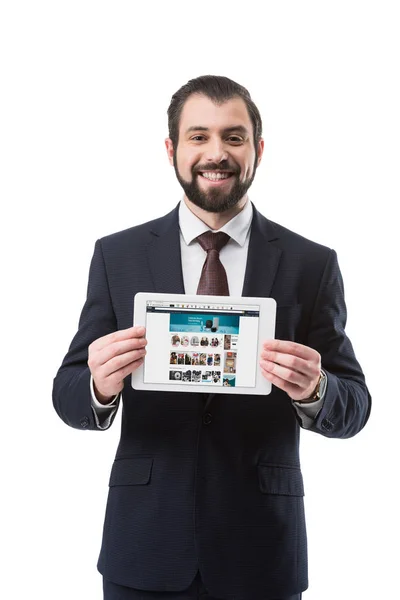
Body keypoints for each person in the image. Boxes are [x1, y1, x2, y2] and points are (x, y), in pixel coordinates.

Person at [52, 75, 371, 600]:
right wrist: (98, 386)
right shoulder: (117, 255)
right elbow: (67, 394)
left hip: (262, 549)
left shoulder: (312, 264)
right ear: (173, 149)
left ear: (258, 150)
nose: (215, 153)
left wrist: (316, 390)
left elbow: (355, 406)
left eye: (234, 137)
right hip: (145, 546)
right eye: (198, 136)